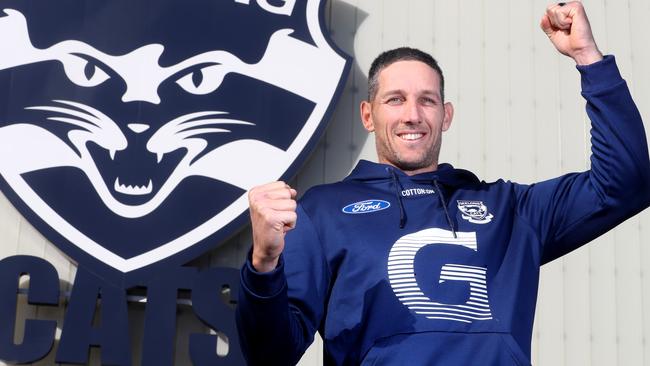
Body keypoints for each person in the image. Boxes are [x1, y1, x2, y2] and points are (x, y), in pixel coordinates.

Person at [236, 2, 650, 365]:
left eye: (427, 100)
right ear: (368, 115)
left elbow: (627, 183)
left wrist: (589, 58)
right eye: (395, 99)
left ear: (446, 115)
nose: (412, 114)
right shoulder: (322, 210)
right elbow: (271, 354)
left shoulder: (510, 209)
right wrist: (264, 264)